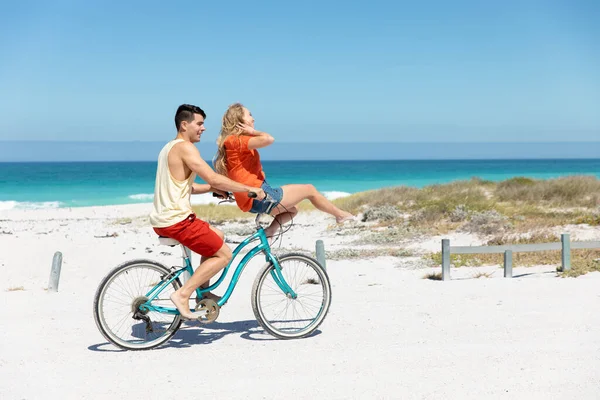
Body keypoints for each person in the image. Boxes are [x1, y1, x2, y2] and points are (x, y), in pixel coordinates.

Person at [149, 104, 265, 320]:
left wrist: (212, 189)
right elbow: (212, 176)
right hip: (177, 220)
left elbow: (189, 187)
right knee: (225, 254)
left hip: (163, 219)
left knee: (217, 237)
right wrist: (249, 188)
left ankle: (203, 292)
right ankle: (183, 294)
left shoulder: (168, 148)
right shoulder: (186, 148)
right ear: (185, 125)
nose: (203, 128)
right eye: (199, 124)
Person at [213, 103, 354, 238]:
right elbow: (268, 139)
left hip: (251, 200)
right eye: (249, 115)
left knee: (293, 209)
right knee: (309, 190)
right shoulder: (235, 140)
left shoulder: (232, 143)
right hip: (259, 195)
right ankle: (340, 215)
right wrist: (253, 131)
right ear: (239, 121)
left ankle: (270, 231)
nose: (253, 118)